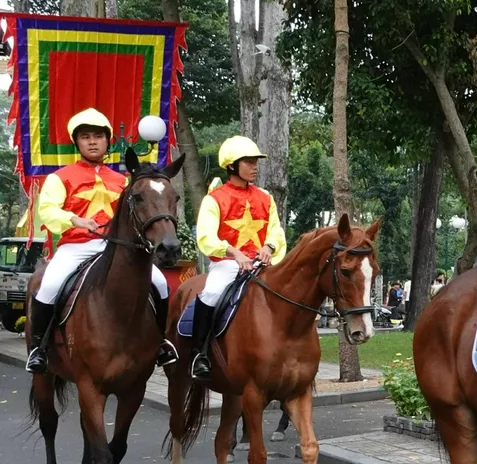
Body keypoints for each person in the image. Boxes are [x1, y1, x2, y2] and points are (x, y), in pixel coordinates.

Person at [26, 108, 177, 373]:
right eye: (85, 137)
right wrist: (76, 220)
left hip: (116, 248)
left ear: (108, 141)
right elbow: (47, 211)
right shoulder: (59, 177)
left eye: (98, 136)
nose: (92, 141)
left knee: (161, 283)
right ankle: (39, 348)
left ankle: (161, 342)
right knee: (49, 284)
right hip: (76, 246)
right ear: (77, 142)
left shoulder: (123, 181)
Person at [190, 135, 287, 381]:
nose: (254, 166)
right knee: (211, 292)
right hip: (227, 264)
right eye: (248, 162)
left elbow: (276, 229)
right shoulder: (214, 199)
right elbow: (205, 237)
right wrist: (233, 253)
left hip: (261, 264)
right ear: (232, 165)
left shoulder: (265, 197)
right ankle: (198, 354)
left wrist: (269, 246)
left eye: (255, 161)